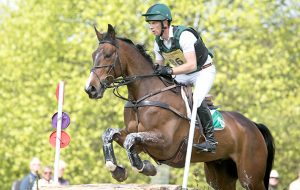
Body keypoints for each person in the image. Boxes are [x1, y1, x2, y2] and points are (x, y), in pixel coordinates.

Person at [142, 3, 217, 152]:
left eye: (154, 23)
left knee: (196, 100)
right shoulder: (158, 42)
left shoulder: (184, 36)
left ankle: (211, 141)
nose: (151, 27)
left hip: (202, 71)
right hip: (182, 74)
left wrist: (169, 71)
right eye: (150, 23)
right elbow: (159, 65)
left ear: (165, 23)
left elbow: (191, 65)